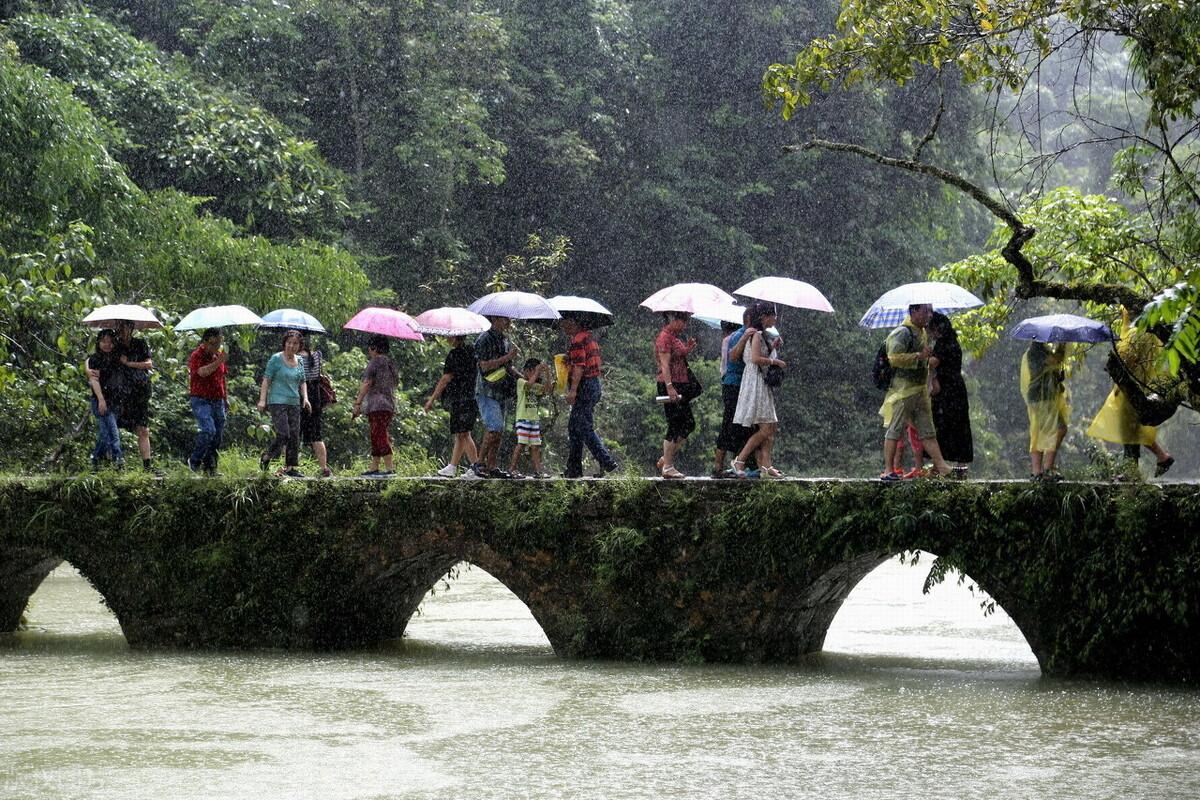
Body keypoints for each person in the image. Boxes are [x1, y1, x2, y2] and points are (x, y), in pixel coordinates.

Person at [1087, 309, 1175, 478]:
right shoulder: (1150, 333)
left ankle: (1131, 472)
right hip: (1139, 387)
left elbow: (1126, 360)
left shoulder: (1136, 334)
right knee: (1134, 428)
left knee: (1128, 429)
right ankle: (1162, 457)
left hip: (1130, 390)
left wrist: (1114, 360)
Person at [879, 303, 952, 480]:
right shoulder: (903, 332)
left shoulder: (923, 333)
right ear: (913, 311)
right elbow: (894, 358)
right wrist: (918, 356)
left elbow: (924, 360)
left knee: (927, 430)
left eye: (930, 311)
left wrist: (925, 356)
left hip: (919, 391)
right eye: (925, 311)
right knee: (895, 429)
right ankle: (889, 470)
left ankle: (942, 466)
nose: (929, 315)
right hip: (903, 391)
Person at [731, 302, 786, 478]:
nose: (775, 318)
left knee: (771, 425)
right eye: (773, 315)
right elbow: (755, 358)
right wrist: (774, 362)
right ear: (764, 316)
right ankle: (740, 459)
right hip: (755, 381)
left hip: (760, 381)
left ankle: (766, 466)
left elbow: (760, 354)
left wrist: (773, 347)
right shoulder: (756, 334)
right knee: (765, 428)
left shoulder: (763, 335)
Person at [561, 315, 619, 478]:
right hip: (593, 384)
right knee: (574, 427)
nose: (562, 326)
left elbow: (579, 367)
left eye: (564, 322)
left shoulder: (578, 340)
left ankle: (607, 461)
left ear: (573, 322)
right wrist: (570, 359)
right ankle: (574, 469)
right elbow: (592, 363)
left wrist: (572, 391)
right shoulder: (589, 339)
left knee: (584, 428)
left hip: (584, 387)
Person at [424, 334, 480, 478]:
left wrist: (432, 399)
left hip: (460, 397)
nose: (447, 339)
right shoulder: (473, 352)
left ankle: (476, 467)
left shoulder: (454, 355)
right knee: (461, 433)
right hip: (472, 396)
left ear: (455, 338)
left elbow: (445, 379)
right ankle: (453, 466)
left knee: (464, 433)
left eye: (449, 337)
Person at [257, 329, 311, 477]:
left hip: (294, 402)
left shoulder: (299, 360)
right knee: (283, 433)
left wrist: (305, 398)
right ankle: (267, 456)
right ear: (284, 343)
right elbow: (266, 379)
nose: (291, 346)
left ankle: (290, 468)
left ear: (299, 346)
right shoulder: (275, 359)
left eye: (295, 344)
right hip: (277, 401)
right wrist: (262, 400)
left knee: (294, 435)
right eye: (289, 343)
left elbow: (302, 381)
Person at [927, 312, 974, 476]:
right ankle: (961, 465)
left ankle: (938, 465)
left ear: (936, 329)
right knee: (959, 425)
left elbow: (933, 363)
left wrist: (923, 355)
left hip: (946, 389)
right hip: (957, 387)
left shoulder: (942, 343)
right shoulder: (953, 342)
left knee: (942, 425)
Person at [474, 315, 520, 478]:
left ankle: (491, 466)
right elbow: (484, 366)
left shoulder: (504, 340)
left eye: (509, 319)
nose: (508, 322)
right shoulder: (484, 339)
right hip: (487, 390)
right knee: (494, 428)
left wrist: (523, 379)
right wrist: (507, 357)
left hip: (501, 390)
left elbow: (508, 367)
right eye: (504, 319)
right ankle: (479, 464)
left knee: (499, 431)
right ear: (494, 319)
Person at [655, 311, 699, 479]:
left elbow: (677, 357)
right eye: (683, 321)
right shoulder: (665, 337)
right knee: (675, 424)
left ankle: (666, 458)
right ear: (673, 320)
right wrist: (670, 387)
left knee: (688, 423)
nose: (685, 325)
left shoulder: (674, 337)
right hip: (670, 384)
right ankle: (668, 466)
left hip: (681, 384)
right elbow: (665, 365)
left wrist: (687, 348)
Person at [1021, 341, 1070, 481]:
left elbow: (1050, 368)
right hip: (1041, 397)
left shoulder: (1043, 349)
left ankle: (1038, 472)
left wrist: (1058, 376)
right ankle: (1047, 469)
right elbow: (1054, 360)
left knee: (1041, 432)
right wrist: (1062, 345)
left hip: (1045, 397)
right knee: (1058, 429)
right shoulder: (1035, 351)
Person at [712, 318, 755, 478]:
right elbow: (732, 360)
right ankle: (727, 464)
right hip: (736, 383)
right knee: (733, 423)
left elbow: (724, 366)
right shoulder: (737, 337)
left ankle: (725, 464)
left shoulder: (731, 338)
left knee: (733, 423)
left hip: (730, 382)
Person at [352, 334, 398, 476]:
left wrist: (358, 402)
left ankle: (390, 468)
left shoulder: (375, 362)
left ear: (374, 348)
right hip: (388, 404)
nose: (368, 351)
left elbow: (367, 383)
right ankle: (374, 467)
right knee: (376, 434)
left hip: (376, 405)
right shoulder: (390, 363)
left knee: (379, 434)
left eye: (370, 348)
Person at [187, 327, 227, 475]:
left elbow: (223, 377)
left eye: (219, 343)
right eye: (213, 343)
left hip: (218, 399)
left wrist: (225, 398)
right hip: (201, 399)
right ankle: (194, 461)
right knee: (208, 430)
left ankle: (210, 466)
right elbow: (202, 372)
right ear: (205, 342)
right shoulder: (197, 355)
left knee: (218, 434)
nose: (216, 346)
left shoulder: (218, 355)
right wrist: (219, 361)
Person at [508, 358, 555, 478]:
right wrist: (538, 371)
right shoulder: (520, 382)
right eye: (533, 371)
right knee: (521, 444)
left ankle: (538, 472)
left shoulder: (536, 385)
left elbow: (548, 390)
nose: (535, 374)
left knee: (535, 446)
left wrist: (548, 373)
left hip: (534, 419)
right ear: (526, 371)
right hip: (523, 418)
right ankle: (512, 469)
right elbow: (528, 386)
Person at [85, 329, 124, 470]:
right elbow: (94, 381)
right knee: (112, 432)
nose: (107, 344)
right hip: (100, 400)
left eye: (110, 341)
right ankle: (119, 460)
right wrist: (101, 399)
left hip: (115, 401)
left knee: (104, 434)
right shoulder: (95, 359)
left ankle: (95, 459)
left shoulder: (117, 358)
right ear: (98, 342)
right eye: (103, 341)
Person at [297, 335, 332, 478]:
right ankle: (324, 468)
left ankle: (290, 466)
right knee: (317, 435)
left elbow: (299, 378)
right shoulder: (317, 355)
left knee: (294, 434)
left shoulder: (296, 358)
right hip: (316, 397)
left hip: (300, 396)